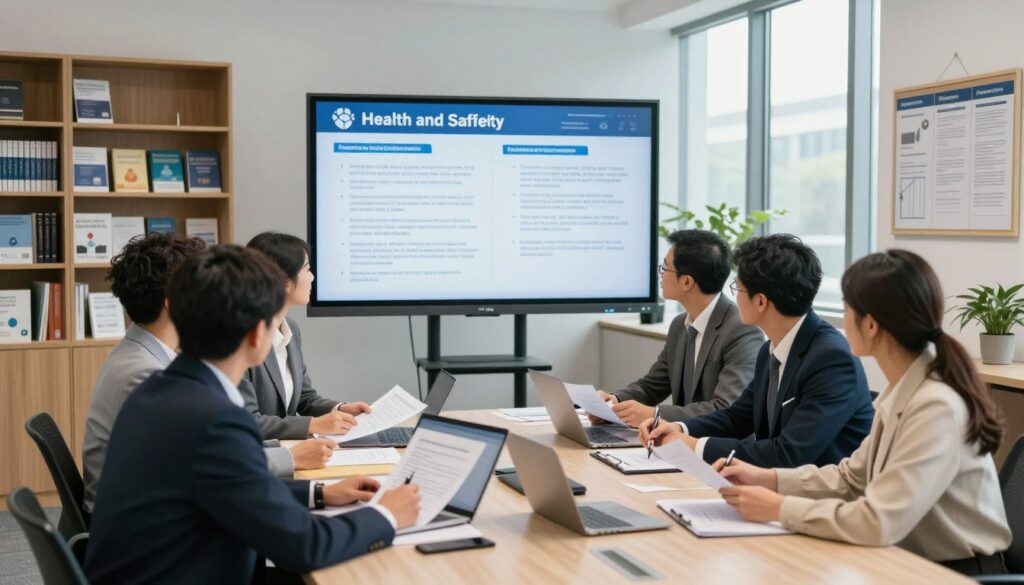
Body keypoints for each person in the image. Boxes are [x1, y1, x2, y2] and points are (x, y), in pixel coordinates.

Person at [85, 245, 421, 585]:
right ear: (258, 334)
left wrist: (318, 492)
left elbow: (231, 485)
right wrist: (386, 515)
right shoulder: (214, 421)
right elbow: (304, 546)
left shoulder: (157, 391)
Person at [715, 250, 1011, 577]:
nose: (840, 320)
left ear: (869, 324)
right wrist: (769, 479)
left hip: (954, 574)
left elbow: (877, 520)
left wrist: (780, 508)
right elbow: (851, 478)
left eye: (845, 309)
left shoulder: (935, 406)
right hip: (904, 561)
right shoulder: (901, 391)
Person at [81, 234, 333, 512]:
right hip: (144, 521)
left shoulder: (139, 357)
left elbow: (211, 456)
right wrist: (290, 458)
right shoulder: (147, 376)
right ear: (175, 302)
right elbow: (214, 467)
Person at [641, 234, 874, 467]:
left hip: (820, 498)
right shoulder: (770, 349)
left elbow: (788, 453)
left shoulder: (831, 359)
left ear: (761, 302)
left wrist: (693, 445)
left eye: (737, 289)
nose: (734, 297)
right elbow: (738, 418)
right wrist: (679, 428)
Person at [596, 230, 762, 426]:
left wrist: (653, 414)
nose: (660, 274)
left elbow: (725, 408)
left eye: (664, 269)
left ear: (686, 282)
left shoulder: (742, 330)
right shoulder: (679, 325)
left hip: (719, 450)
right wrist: (614, 401)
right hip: (679, 444)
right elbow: (652, 386)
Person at [239, 232, 371, 440]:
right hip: (261, 459)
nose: (312, 277)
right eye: (307, 269)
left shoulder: (290, 328)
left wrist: (340, 408)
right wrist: (313, 424)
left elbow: (304, 398)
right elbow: (247, 420)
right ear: (283, 281)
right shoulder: (241, 336)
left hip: (290, 453)